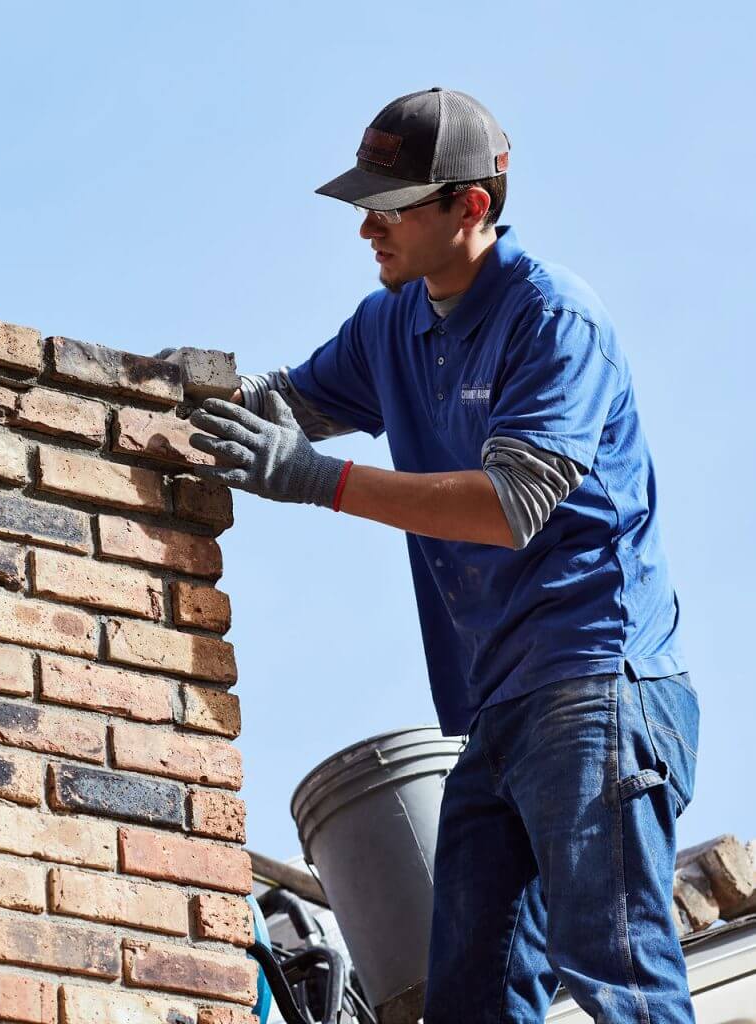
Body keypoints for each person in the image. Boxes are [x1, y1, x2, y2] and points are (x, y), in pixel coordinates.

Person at [186, 88, 700, 1023]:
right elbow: (288, 406)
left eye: (390, 207)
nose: (366, 229)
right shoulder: (391, 324)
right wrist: (189, 393)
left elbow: (511, 506)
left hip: (595, 681)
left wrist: (315, 480)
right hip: (496, 705)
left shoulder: (550, 319)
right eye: (362, 206)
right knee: (470, 996)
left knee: (614, 971)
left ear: (470, 205)